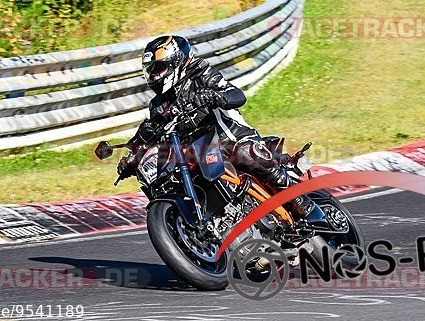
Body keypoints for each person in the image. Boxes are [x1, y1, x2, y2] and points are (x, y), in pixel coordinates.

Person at [117, 35, 326, 225]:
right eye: (151, 71)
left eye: (159, 68)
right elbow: (150, 129)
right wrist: (133, 155)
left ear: (176, 62)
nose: (154, 76)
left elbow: (236, 95)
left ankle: (302, 203)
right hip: (199, 153)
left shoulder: (200, 73)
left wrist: (214, 96)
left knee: (246, 154)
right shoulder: (158, 104)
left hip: (230, 138)